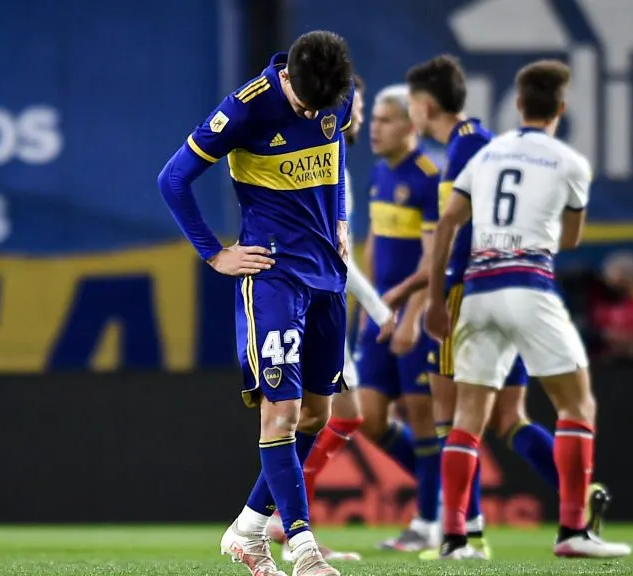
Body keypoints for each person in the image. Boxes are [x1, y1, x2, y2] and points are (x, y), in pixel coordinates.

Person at [158, 30, 354, 576]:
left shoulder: (335, 93)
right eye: (303, 104)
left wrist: (339, 218)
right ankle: (303, 547)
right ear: (285, 76)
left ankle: (246, 530)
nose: (313, 112)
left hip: (327, 278)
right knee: (282, 413)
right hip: (274, 277)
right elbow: (173, 179)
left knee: (318, 414)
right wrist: (214, 254)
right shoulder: (244, 111)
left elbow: (334, 151)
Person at [402, 55, 612, 559]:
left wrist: (433, 300)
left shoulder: (483, 156)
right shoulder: (570, 163)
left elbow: (449, 224)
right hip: (529, 285)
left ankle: (455, 537)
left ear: (517, 104)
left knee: (466, 420)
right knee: (576, 405)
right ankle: (573, 528)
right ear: (562, 107)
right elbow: (571, 238)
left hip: (475, 290)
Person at [266, 73, 393, 564]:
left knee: (340, 414)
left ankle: (287, 517)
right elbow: (339, 257)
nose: (358, 114)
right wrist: (383, 314)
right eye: (357, 105)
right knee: (318, 415)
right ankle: (285, 520)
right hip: (313, 297)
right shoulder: (325, 161)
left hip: (322, 295)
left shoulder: (335, 159)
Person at [347, 84, 443, 552]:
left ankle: (429, 519)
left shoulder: (430, 177)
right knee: (370, 419)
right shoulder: (378, 177)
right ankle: (443, 491)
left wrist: (411, 318)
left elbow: (435, 260)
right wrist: (370, 306)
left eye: (385, 120)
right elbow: (374, 247)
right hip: (381, 315)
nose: (375, 129)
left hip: (416, 315)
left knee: (422, 414)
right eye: (376, 120)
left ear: (411, 124)